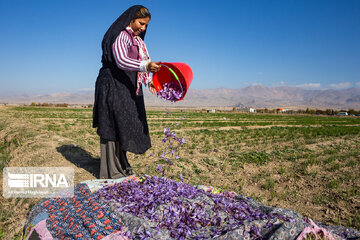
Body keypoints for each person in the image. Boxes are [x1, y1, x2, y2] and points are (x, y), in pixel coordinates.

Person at [93, 5, 161, 179]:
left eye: (146, 25)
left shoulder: (138, 41)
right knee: (112, 124)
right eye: (141, 23)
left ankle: (122, 165)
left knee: (123, 124)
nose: (143, 28)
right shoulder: (122, 36)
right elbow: (122, 60)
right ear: (131, 18)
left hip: (125, 86)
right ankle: (111, 169)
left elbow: (143, 61)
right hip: (112, 85)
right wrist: (146, 66)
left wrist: (149, 80)